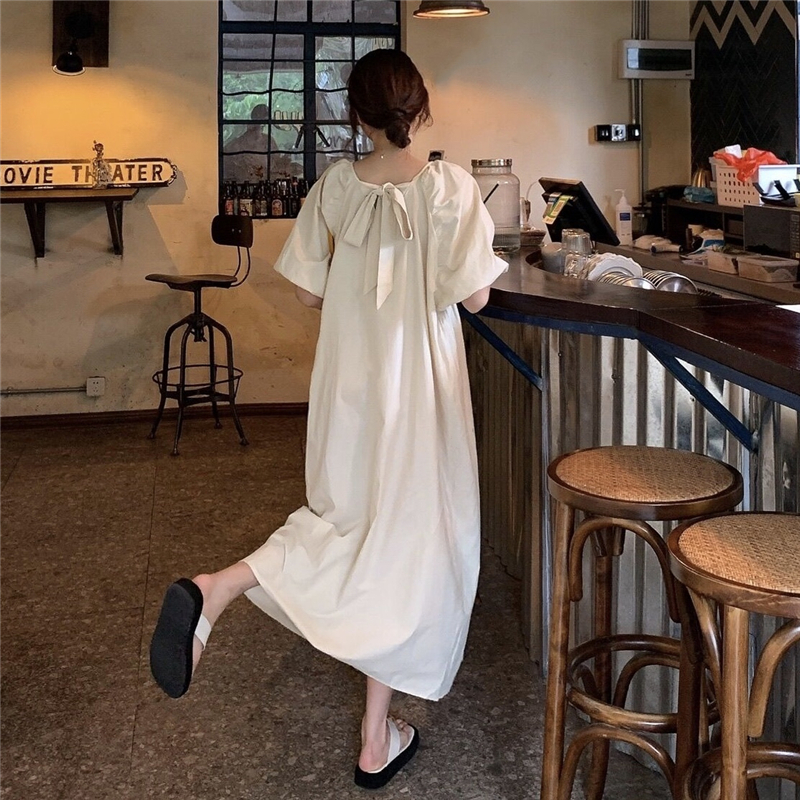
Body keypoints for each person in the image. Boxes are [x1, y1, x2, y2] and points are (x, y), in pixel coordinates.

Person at [149, 48, 507, 790]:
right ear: (421, 106)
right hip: (420, 394)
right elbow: (475, 298)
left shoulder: (336, 186)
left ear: (356, 115)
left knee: (343, 523)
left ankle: (226, 587)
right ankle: (374, 737)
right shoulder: (451, 187)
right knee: (414, 543)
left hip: (349, 386)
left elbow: (309, 293)